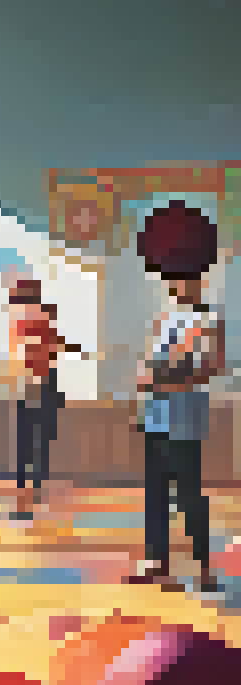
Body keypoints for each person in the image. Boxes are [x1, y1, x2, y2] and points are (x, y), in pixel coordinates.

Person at [128, 202, 224, 594]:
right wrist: (151, 376)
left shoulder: (207, 318)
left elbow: (210, 368)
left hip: (184, 420)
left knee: (187, 496)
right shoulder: (164, 318)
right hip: (154, 417)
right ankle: (157, 564)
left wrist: (164, 376)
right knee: (155, 495)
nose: (175, 282)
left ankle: (203, 568)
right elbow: (148, 364)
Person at [4, 280, 79, 521]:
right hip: (37, 382)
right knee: (37, 441)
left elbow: (47, 346)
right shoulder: (35, 318)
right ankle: (29, 490)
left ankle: (28, 491)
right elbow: (47, 346)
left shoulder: (30, 319)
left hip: (35, 383)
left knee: (31, 441)